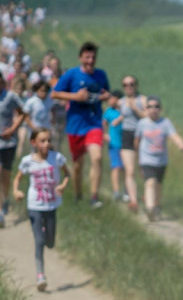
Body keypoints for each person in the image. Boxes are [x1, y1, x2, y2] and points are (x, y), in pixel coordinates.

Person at [51, 41, 108, 208]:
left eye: (93, 57)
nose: (90, 61)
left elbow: (105, 92)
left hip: (94, 123)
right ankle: (77, 194)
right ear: (80, 57)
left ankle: (94, 197)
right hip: (76, 125)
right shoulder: (71, 74)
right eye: (87, 57)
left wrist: (105, 97)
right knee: (77, 165)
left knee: (97, 158)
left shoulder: (101, 75)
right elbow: (54, 93)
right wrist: (76, 97)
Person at [12, 128, 69, 291]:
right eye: (43, 141)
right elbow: (17, 179)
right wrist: (16, 191)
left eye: (49, 140)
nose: (47, 144)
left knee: (50, 243)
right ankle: (40, 275)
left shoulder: (56, 158)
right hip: (35, 205)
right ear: (34, 143)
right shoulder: (27, 161)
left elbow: (67, 174)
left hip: (51, 205)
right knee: (39, 241)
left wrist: (63, 185)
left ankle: (46, 233)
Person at [135, 95, 183, 221]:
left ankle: (156, 206)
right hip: (146, 159)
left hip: (161, 160)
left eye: (156, 106)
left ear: (160, 109)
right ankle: (150, 208)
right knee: (150, 182)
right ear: (146, 109)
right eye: (150, 107)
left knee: (158, 185)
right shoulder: (142, 124)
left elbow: (173, 135)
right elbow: (137, 140)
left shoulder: (165, 123)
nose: (153, 109)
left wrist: (180, 144)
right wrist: (137, 155)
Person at [0, 68, 25, 228]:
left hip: (8, 142)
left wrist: (13, 129)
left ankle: (6, 198)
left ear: (2, 83)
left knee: (6, 176)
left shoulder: (10, 97)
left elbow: (22, 113)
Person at [118, 75, 147, 210]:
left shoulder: (143, 99)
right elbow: (121, 116)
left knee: (143, 168)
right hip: (127, 135)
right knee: (129, 170)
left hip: (141, 135)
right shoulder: (121, 102)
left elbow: (148, 116)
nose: (128, 87)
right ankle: (133, 200)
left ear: (136, 85)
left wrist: (135, 108)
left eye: (131, 84)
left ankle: (148, 194)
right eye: (125, 85)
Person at [102, 89, 124, 203]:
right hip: (114, 143)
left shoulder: (124, 111)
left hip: (125, 143)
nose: (108, 101)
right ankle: (116, 191)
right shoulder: (108, 111)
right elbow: (103, 123)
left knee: (125, 168)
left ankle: (126, 191)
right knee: (116, 167)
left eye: (110, 98)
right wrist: (105, 134)